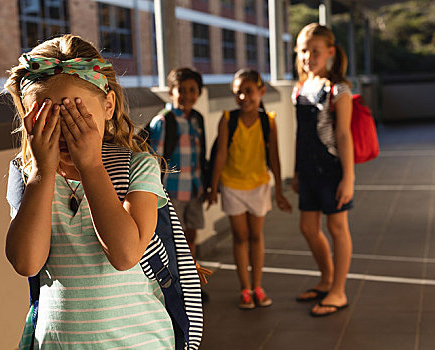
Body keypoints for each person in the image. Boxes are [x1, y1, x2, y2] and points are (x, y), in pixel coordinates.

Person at [4, 34, 176, 348]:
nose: (64, 132)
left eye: (74, 116)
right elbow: (26, 262)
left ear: (108, 105)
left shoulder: (136, 167)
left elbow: (125, 255)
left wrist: (92, 167)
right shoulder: (26, 175)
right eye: (48, 119)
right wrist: (42, 173)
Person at [208, 68, 292, 309]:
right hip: (233, 185)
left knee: (256, 236)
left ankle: (257, 286)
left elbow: (274, 157)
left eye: (249, 91)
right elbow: (221, 155)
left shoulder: (269, 121)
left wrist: (278, 190)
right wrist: (213, 187)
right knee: (240, 236)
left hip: (258, 185)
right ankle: (244, 288)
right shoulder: (228, 119)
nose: (244, 97)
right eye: (238, 93)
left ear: (261, 92)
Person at [292, 23, 354, 317]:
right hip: (307, 170)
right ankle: (327, 279)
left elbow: (343, 136)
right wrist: (296, 170)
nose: (308, 56)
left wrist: (349, 178)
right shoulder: (301, 88)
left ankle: (338, 291)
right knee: (308, 227)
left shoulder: (338, 89)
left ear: (329, 52)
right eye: (303, 50)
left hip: (331, 170)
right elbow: (300, 134)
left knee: (337, 227)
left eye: (315, 51)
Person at [147, 67, 206, 258]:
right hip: (172, 192)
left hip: (194, 190)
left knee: (191, 236)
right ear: (171, 92)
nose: (187, 95)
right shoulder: (163, 121)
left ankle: (193, 282)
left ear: (199, 93)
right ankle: (178, 285)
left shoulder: (197, 119)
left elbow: (200, 155)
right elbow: (156, 160)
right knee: (173, 240)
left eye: (192, 90)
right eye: (181, 90)